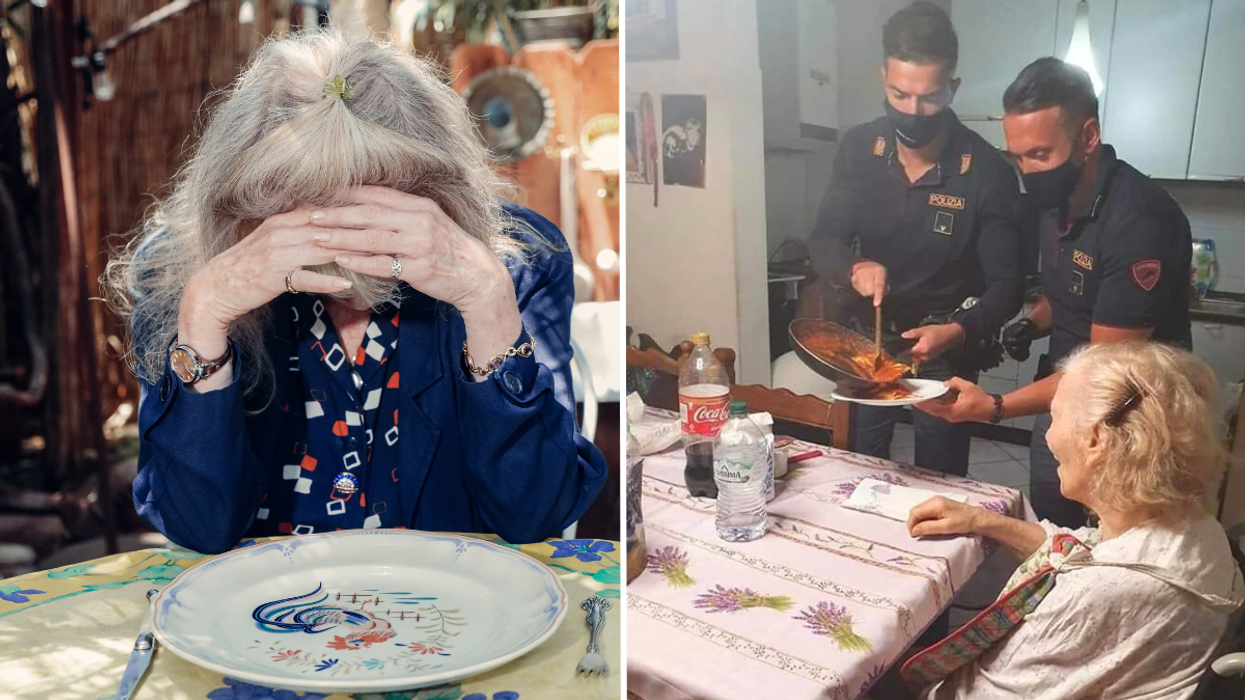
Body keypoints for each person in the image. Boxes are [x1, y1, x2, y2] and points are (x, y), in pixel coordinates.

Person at [103, 28, 607, 554]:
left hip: (453, 612)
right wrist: (204, 322)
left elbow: (536, 516)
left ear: (440, 192)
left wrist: (487, 302)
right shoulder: (177, 273)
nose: (348, 250)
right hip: (257, 614)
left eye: (380, 213)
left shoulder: (516, 260)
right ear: (247, 206)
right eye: (309, 219)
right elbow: (196, 528)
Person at [918, 57, 1193, 528]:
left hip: (1129, 417)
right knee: (1054, 528)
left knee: (1114, 547)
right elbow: (1067, 293)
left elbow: (1106, 367)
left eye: (1040, 155)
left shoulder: (1140, 221)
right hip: (1064, 396)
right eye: (1017, 156)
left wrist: (997, 406)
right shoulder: (1052, 206)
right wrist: (1031, 322)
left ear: (1088, 137)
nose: (1027, 170)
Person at [900, 341, 1242, 700]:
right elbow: (1078, 551)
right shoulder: (1198, 529)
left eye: (1055, 416)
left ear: (1097, 440)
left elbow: (980, 694)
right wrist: (982, 521)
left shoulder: (1095, 596)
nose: (1048, 435)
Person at [808, 2, 1022, 477]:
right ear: (882, 77)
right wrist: (854, 268)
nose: (913, 110)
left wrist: (960, 329)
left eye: (928, 98)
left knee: (940, 478)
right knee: (857, 465)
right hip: (867, 342)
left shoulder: (987, 172)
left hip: (944, 344)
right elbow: (823, 239)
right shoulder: (860, 148)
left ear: (954, 88)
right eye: (899, 94)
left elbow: (1006, 286)